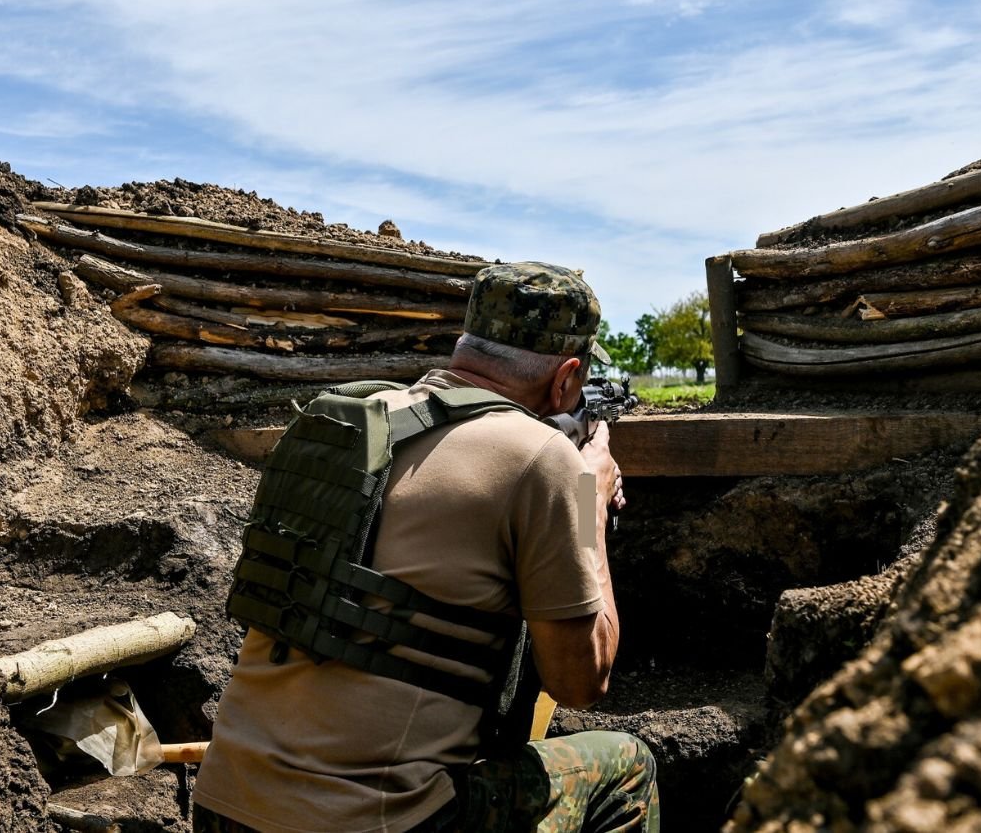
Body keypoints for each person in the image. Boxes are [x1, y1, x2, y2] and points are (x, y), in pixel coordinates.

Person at [192, 261, 660, 833]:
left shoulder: (348, 415)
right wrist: (589, 500)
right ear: (565, 379)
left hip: (222, 805)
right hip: (377, 823)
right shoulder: (541, 457)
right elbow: (581, 683)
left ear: (466, 347)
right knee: (630, 768)